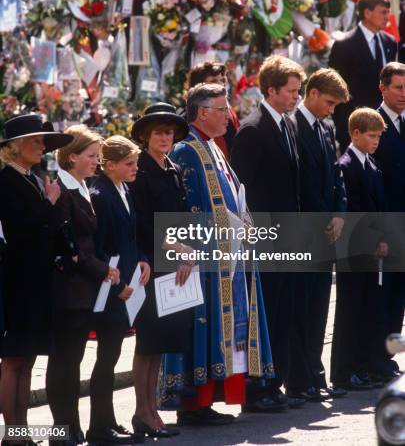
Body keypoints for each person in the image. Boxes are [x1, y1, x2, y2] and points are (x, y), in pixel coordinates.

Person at [160, 84, 273, 426]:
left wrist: (246, 223)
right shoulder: (185, 150)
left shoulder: (213, 147)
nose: (229, 115)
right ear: (202, 112)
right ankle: (193, 405)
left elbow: (232, 197)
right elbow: (185, 210)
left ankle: (208, 401)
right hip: (203, 257)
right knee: (201, 329)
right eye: (223, 109)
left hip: (229, 254)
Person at [231, 55, 305, 412]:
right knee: (263, 313)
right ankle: (256, 388)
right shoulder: (252, 129)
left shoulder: (288, 125)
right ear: (271, 90)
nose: (296, 97)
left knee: (283, 311)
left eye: (298, 90)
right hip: (263, 239)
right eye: (291, 91)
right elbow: (243, 193)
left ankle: (275, 382)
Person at [46, 125, 120, 446]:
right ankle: (62, 428)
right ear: (72, 156)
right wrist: (101, 268)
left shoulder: (82, 187)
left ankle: (72, 428)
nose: (96, 161)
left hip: (85, 289)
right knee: (64, 361)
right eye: (91, 156)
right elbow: (68, 246)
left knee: (73, 360)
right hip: (68, 290)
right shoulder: (62, 191)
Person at [0, 114, 72, 438]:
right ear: (16, 147)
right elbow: (21, 231)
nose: (42, 148)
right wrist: (50, 204)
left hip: (36, 280)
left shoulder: (31, 178)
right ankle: (11, 432)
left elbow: (48, 229)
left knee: (27, 359)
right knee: (14, 359)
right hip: (17, 281)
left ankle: (22, 430)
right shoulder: (5, 181)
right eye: (36, 141)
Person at [129, 103, 193, 438]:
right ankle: (142, 411)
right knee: (148, 343)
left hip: (176, 267)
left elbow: (180, 219)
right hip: (151, 266)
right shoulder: (140, 171)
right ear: (144, 136)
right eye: (158, 131)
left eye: (169, 131)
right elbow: (142, 224)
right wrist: (175, 249)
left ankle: (151, 409)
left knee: (161, 343)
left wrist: (189, 252)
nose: (165, 137)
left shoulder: (171, 167)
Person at [287, 69, 348, 402]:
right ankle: (298, 379)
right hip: (303, 231)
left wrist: (339, 212)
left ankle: (316, 373)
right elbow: (299, 183)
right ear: (312, 94)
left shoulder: (327, 127)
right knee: (301, 307)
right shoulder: (292, 126)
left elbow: (336, 174)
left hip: (327, 230)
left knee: (319, 308)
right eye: (328, 103)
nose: (331, 110)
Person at [87, 136, 151, 445]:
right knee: (105, 359)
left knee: (112, 357)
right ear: (109, 165)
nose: (135, 168)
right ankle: (99, 427)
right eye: (129, 163)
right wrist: (119, 286)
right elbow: (100, 248)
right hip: (111, 289)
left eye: (136, 162)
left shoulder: (123, 189)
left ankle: (108, 420)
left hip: (128, 282)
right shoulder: (100, 194)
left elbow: (131, 235)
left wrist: (142, 260)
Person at [331, 108, 388, 390]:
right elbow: (352, 210)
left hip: (371, 249)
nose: (375, 141)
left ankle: (361, 365)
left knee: (367, 308)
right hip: (353, 249)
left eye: (378, 136)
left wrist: (382, 239)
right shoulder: (346, 165)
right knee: (349, 310)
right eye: (371, 136)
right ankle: (344, 370)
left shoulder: (372, 165)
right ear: (355, 133)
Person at [329, 0, 398, 151]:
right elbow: (335, 89)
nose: (387, 17)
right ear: (367, 13)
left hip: (386, 125)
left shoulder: (390, 42)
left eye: (388, 12)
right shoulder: (344, 45)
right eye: (383, 12)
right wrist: (344, 128)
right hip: (356, 127)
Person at [373, 62, 405, 379]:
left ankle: (389, 357)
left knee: (398, 297)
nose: (403, 93)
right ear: (382, 88)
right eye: (398, 87)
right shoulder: (373, 122)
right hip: (384, 222)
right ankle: (376, 358)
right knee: (383, 295)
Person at [187, 61, 240, 160]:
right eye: (214, 81)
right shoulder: (188, 118)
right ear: (198, 86)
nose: (221, 85)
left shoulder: (230, 110)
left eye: (223, 80)